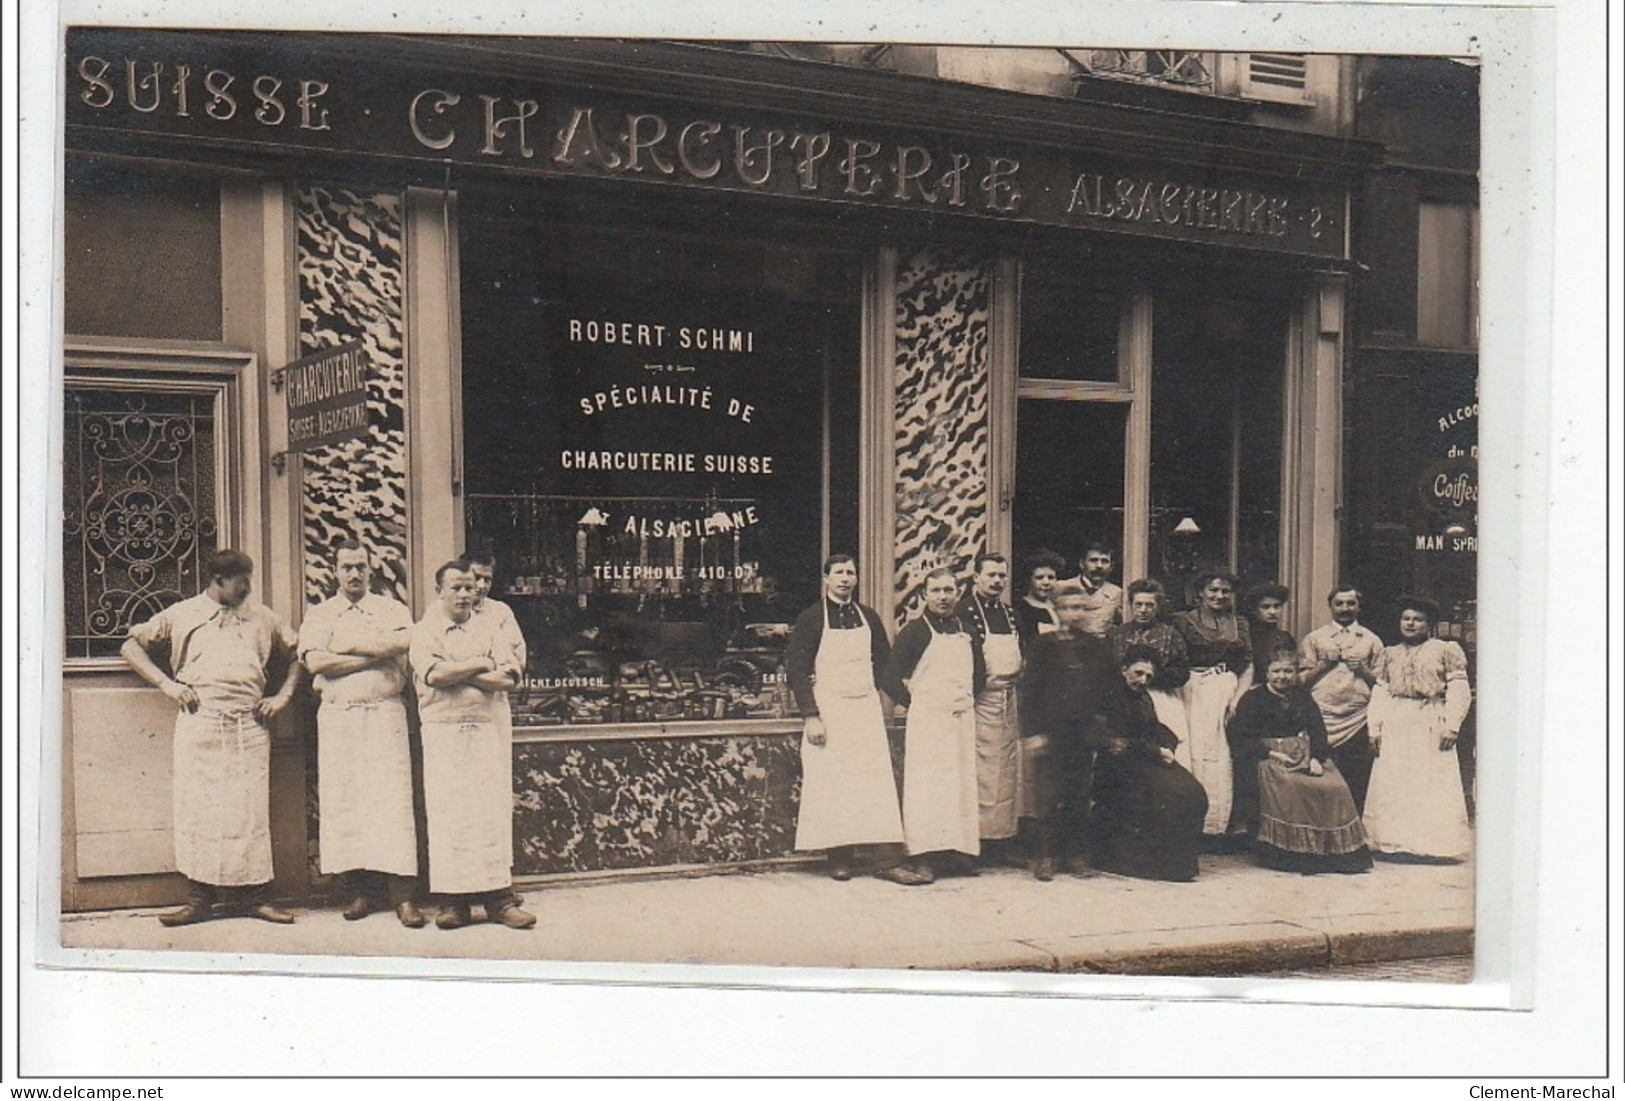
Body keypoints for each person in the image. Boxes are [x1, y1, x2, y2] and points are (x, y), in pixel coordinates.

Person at [119, 549, 301, 926]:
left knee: (249, 810)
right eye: (240, 581)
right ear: (217, 581)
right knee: (198, 808)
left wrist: (281, 697)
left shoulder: (262, 617)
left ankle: (256, 897)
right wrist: (168, 686)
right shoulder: (182, 613)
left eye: (249, 579)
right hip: (200, 720)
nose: (248, 587)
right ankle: (199, 899)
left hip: (249, 723)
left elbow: (300, 653)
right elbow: (131, 646)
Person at [298, 539, 424, 928]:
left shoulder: (391, 609)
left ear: (371, 571)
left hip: (385, 716)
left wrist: (347, 650)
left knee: (390, 801)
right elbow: (316, 661)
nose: (354, 574)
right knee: (348, 801)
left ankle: (403, 897)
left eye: (360, 567)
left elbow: (405, 641)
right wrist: (373, 654)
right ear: (335, 572)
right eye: (346, 567)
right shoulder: (320, 615)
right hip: (340, 719)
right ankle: (359, 892)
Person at [783, 555, 927, 884]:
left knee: (874, 784)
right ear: (826, 579)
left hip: (864, 710)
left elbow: (886, 668)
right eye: (839, 573)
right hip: (830, 711)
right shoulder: (811, 618)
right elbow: (798, 670)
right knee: (836, 785)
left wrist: (912, 703)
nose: (846, 579)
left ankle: (886, 861)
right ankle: (840, 859)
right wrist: (811, 716)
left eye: (851, 573)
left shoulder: (869, 617)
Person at [410, 560, 537, 929]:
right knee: (450, 816)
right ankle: (453, 903)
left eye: (470, 587)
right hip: (444, 735)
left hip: (484, 734)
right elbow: (434, 674)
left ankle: (500, 901)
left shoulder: (491, 627)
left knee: (488, 814)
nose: (466, 593)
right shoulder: (425, 631)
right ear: (440, 592)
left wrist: (463, 672)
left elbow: (509, 677)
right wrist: (480, 664)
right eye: (457, 588)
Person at [1227, 648, 1372, 874]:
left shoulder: (1302, 696)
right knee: (1291, 786)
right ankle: (1291, 852)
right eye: (1276, 671)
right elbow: (1239, 736)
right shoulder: (1253, 698)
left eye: (1288, 671)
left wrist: (1316, 757)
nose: (1282, 677)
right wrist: (1270, 754)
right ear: (1267, 672)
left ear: (1295, 673)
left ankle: (1334, 852)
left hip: (1302, 751)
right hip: (1267, 754)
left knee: (1335, 786)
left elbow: (1317, 730)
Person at [1363, 596, 1474, 861]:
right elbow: (1381, 691)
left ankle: (1433, 846)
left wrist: (1452, 725)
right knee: (1397, 779)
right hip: (1398, 719)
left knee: (1429, 780)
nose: (1411, 624)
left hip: (1429, 717)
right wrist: (1374, 727)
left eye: (1418, 619)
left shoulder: (1445, 650)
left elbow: (1459, 689)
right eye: (1406, 619)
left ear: (1429, 624)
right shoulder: (1389, 654)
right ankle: (1394, 843)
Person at [1084, 646, 1208, 882]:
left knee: (1193, 791)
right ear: (1123, 669)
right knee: (1174, 793)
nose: (1143, 680)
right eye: (1138, 673)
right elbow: (1114, 741)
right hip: (1117, 767)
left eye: (1148, 676)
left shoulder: (1143, 697)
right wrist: (1156, 751)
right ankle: (1145, 864)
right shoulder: (1108, 696)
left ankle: (1177, 865)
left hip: (1143, 760)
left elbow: (1153, 727)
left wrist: (1167, 745)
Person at [890, 567, 982, 881]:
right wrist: (918, 702)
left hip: (960, 719)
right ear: (925, 595)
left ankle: (958, 852)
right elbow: (889, 676)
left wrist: (963, 700)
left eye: (949, 590)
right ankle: (922, 855)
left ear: (957, 594)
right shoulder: (914, 631)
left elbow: (979, 674)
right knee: (927, 787)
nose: (943, 597)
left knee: (960, 785)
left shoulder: (967, 629)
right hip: (928, 720)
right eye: (937, 591)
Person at [1020, 580, 1116, 880]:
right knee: (1047, 797)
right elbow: (1030, 691)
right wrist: (1033, 733)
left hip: (1082, 733)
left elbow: (1108, 689)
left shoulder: (1096, 646)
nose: (1074, 614)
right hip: (1050, 733)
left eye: (1080, 608)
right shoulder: (1042, 646)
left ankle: (1075, 855)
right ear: (1057, 610)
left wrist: (1102, 726)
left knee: (1078, 794)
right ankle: (1045, 855)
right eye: (1068, 608)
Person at [1171, 571, 1253, 840]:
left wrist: (1237, 698)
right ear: (1201, 593)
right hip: (1192, 689)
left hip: (1226, 690)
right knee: (1193, 751)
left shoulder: (1240, 624)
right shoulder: (1183, 621)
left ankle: (1218, 826)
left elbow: (1248, 665)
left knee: (1220, 756)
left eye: (1225, 591)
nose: (1219, 596)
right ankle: (1192, 824)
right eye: (1213, 590)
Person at [957, 552, 1024, 855]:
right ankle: (976, 843)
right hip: (979, 701)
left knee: (1006, 772)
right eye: (991, 575)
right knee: (978, 771)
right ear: (976, 577)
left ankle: (1002, 840)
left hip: (1009, 699)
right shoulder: (963, 611)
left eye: (1002, 575)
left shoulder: (1010, 613)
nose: (997, 581)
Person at [1298, 586, 1385, 812]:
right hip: (1322, 715)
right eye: (1339, 603)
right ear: (1331, 606)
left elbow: (1383, 684)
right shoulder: (1315, 638)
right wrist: (1323, 666)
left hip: (1358, 718)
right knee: (1321, 775)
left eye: (1351, 603)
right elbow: (1300, 681)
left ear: (1358, 606)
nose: (1345, 609)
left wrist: (1362, 669)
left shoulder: (1371, 640)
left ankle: (1352, 833)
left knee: (1355, 777)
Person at [1108, 579, 1192, 748]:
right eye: (1138, 604)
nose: (1143, 610)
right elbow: (1108, 668)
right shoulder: (1117, 634)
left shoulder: (1170, 634)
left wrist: (1151, 677)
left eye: (1149, 605)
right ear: (1130, 605)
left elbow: (1182, 672)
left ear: (1157, 607)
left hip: (1161, 698)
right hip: (1124, 699)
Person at [1243, 582, 1296, 684]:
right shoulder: (1247, 636)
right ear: (1255, 610)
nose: (1272, 612)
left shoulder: (1285, 637)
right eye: (1265, 607)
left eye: (1277, 606)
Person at [1013, 549, 1067, 647]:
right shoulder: (1021, 609)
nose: (1046, 582)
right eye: (1039, 578)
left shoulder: (1060, 607)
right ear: (1029, 580)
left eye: (1051, 577)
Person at [1070, 540, 1124, 639]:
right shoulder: (1062, 587)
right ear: (1082, 564)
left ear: (1111, 567)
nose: (1099, 566)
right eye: (1093, 560)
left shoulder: (1117, 593)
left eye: (1105, 561)